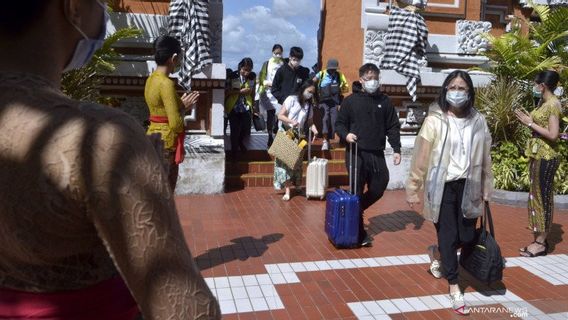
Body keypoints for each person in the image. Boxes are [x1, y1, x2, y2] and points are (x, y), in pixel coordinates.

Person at [0, 1, 220, 319]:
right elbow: (186, 309)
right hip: (164, 140)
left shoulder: (150, 82)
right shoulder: (101, 140)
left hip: (150, 130)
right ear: (73, 7)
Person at [405, 70, 493, 316]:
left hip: (470, 185)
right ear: (445, 90)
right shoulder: (435, 120)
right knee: (448, 234)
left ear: (469, 92)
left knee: (465, 236)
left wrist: (487, 186)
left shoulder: (478, 120)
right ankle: (454, 287)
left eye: (462, 88)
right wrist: (413, 188)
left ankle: (437, 253)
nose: (457, 91)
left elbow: (486, 156)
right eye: (452, 86)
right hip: (442, 186)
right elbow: (421, 156)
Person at [335, 63, 402, 247]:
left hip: (377, 153)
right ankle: (359, 234)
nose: (373, 81)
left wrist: (396, 149)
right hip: (356, 152)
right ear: (362, 80)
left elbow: (393, 126)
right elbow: (339, 124)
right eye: (369, 78)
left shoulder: (385, 101)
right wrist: (346, 135)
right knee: (356, 190)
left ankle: (356, 209)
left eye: (376, 78)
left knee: (380, 184)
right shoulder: (350, 101)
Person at [515, 70, 562, 258]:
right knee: (534, 197)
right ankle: (537, 239)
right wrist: (529, 118)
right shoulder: (543, 103)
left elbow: (553, 134)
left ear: (542, 85)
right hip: (537, 155)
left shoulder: (553, 104)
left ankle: (541, 243)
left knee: (543, 198)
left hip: (547, 156)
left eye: (536, 83)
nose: (534, 86)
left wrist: (529, 123)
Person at [145, 35, 199, 192]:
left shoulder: (151, 79)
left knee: (154, 191)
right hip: (167, 142)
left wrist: (180, 104)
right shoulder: (166, 83)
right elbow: (175, 123)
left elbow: (160, 108)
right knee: (166, 192)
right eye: (180, 58)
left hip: (152, 136)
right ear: (174, 58)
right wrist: (182, 109)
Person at [274, 80, 318, 201]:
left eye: (312, 93)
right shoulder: (291, 100)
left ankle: (297, 185)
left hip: (300, 137)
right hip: (287, 134)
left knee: (297, 164)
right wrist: (291, 121)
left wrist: (315, 130)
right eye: (309, 91)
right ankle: (287, 190)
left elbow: (309, 122)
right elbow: (280, 115)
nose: (310, 94)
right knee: (286, 163)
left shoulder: (309, 106)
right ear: (303, 89)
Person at [312, 58, 349, 150]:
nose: (332, 71)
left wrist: (339, 89)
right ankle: (325, 141)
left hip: (334, 102)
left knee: (334, 121)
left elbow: (346, 87)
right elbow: (312, 81)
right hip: (323, 102)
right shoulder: (321, 74)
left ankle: (331, 139)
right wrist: (314, 97)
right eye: (330, 69)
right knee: (325, 119)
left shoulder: (339, 75)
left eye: (334, 69)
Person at [271, 47, 310, 133]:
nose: (296, 62)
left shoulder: (303, 72)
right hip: (283, 105)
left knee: (297, 130)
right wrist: (284, 99)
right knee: (283, 130)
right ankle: (281, 146)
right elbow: (274, 89)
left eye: (299, 60)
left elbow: (307, 87)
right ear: (289, 57)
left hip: (298, 105)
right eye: (294, 59)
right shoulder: (281, 71)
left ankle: (295, 146)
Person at [256, 44, 284, 147]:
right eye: (276, 53)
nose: (278, 55)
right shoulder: (267, 63)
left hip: (279, 93)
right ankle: (270, 136)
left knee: (279, 114)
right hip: (268, 92)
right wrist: (267, 83)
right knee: (271, 114)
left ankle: (276, 131)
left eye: (280, 53)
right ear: (272, 52)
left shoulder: (284, 63)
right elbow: (262, 77)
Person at [225, 58, 255, 155]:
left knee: (246, 128)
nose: (246, 72)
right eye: (244, 70)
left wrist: (254, 106)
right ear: (240, 67)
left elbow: (251, 91)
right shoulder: (233, 76)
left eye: (248, 70)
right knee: (234, 130)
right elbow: (227, 91)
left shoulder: (251, 77)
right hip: (233, 107)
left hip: (245, 107)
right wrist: (240, 92)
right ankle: (234, 152)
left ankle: (240, 142)